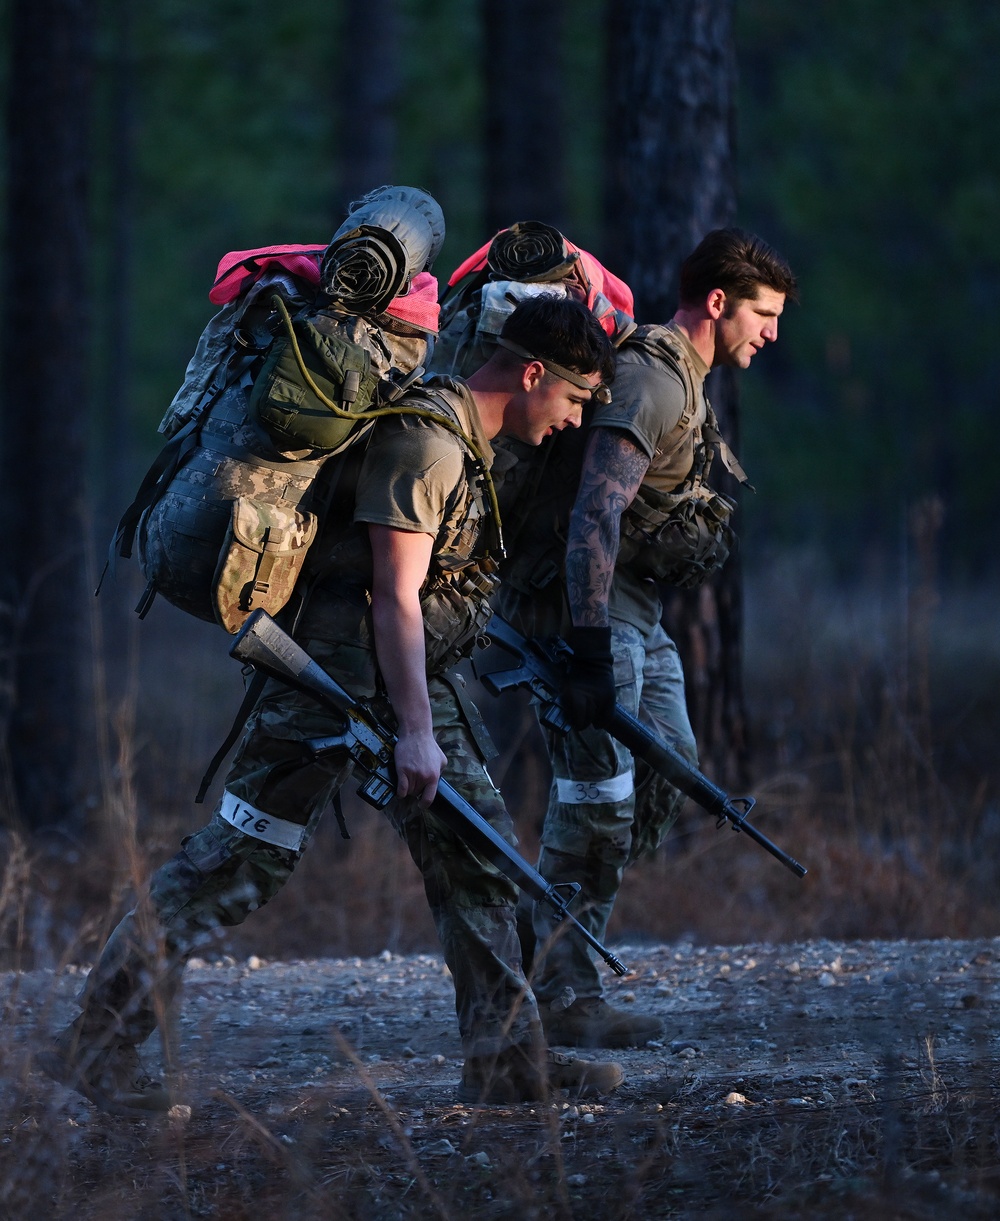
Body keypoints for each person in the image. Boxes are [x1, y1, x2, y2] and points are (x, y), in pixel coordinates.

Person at [37, 293, 624, 1115]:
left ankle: (506, 1059)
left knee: (477, 847)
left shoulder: (461, 435)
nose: (572, 420)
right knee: (241, 859)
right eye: (573, 399)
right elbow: (393, 595)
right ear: (532, 373)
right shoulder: (429, 443)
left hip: (395, 677)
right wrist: (417, 732)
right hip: (334, 682)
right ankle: (94, 1045)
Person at [498, 228, 798, 1049]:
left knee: (670, 766)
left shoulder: (688, 380)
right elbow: (595, 509)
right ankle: (564, 994)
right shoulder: (654, 381)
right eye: (762, 315)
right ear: (717, 303)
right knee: (598, 795)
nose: (769, 333)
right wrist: (588, 649)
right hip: (587, 609)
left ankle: (547, 935)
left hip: (635, 607)